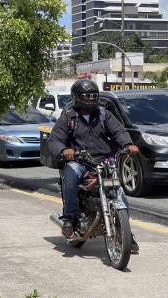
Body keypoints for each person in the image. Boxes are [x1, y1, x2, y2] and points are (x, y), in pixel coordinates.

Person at [48, 79, 140, 253]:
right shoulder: (69, 116)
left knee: (118, 192)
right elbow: (54, 140)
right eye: (86, 96)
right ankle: (69, 218)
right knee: (71, 174)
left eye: (94, 95)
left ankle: (125, 232)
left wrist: (127, 144)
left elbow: (119, 131)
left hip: (104, 160)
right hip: (79, 161)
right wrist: (65, 150)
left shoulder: (104, 115)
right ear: (77, 97)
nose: (91, 99)